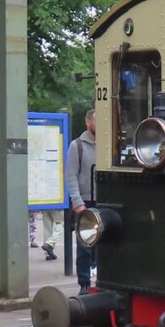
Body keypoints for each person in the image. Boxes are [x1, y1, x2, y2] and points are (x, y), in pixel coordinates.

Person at [66, 109, 96, 293]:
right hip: (85, 201)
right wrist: (77, 201)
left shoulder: (109, 145)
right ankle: (84, 283)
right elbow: (71, 175)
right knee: (85, 245)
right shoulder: (77, 146)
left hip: (102, 200)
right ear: (88, 122)